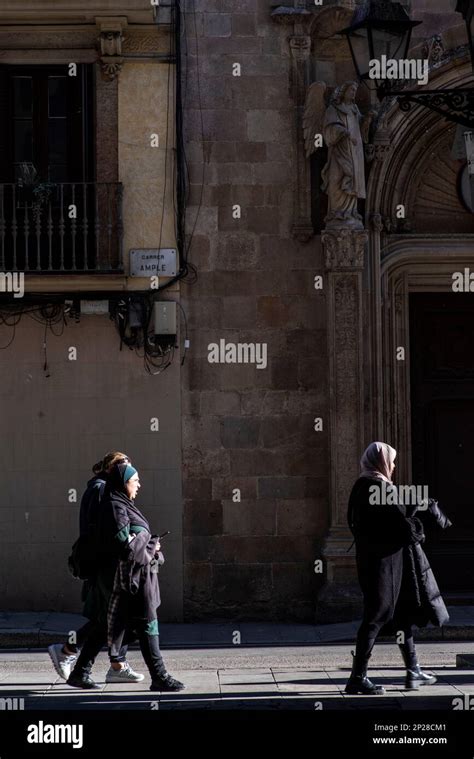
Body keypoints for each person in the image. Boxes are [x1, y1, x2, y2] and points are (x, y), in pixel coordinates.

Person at [345, 441, 450, 695]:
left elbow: (388, 517)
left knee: (401, 615)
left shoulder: (363, 486)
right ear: (381, 462)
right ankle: (357, 678)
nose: (393, 466)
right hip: (382, 566)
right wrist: (419, 524)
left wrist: (410, 508)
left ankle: (413, 670)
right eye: (391, 461)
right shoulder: (377, 487)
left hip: (382, 562)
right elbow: (402, 527)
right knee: (376, 616)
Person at [48, 451, 144, 688]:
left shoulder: (100, 487)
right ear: (114, 469)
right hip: (104, 564)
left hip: (104, 562)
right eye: (125, 470)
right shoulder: (101, 489)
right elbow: (103, 528)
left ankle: (112, 664)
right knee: (108, 617)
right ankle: (72, 653)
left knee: (108, 617)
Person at [100, 461, 184, 692]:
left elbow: (133, 540)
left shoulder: (124, 504)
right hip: (134, 579)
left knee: (132, 626)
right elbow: (125, 546)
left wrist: (150, 545)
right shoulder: (116, 506)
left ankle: (84, 666)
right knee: (147, 625)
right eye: (135, 481)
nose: (139, 485)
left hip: (141, 576)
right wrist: (151, 544)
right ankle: (159, 676)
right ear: (123, 483)